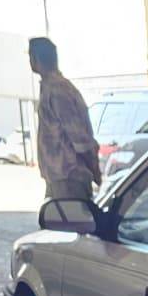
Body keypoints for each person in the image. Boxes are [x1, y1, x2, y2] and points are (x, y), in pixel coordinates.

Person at [28, 37, 100, 199]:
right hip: (59, 177)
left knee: (70, 223)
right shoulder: (50, 87)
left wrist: (94, 170)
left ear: (36, 59)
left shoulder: (57, 89)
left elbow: (79, 138)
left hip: (69, 177)